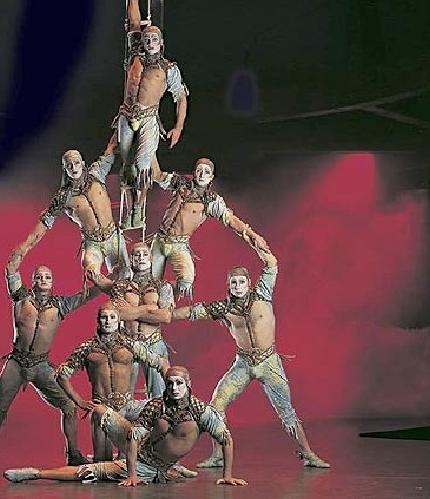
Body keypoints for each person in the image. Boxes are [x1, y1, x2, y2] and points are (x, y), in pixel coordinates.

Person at [171, 245, 331, 469]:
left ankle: (308, 454)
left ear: (249, 283)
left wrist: (251, 238)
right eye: (233, 283)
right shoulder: (224, 308)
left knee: (287, 411)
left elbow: (271, 263)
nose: (238, 286)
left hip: (269, 362)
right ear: (229, 285)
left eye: (241, 282)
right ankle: (218, 455)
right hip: (244, 363)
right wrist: (166, 313)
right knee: (216, 405)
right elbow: (191, 312)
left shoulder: (263, 294)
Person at [0, 253, 101, 469]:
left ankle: (73, 454)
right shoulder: (21, 298)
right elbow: (11, 269)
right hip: (16, 363)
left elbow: (88, 296)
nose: (43, 280)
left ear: (53, 282)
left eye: (47, 277)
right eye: (39, 277)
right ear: (32, 281)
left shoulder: (61, 305)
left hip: (41, 365)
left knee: (69, 405)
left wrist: (109, 279)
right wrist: (29, 244)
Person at [3, 366, 248, 486]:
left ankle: (35, 473)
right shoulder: (156, 406)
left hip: (149, 466)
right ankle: (121, 461)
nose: (174, 388)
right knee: (101, 411)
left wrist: (227, 475)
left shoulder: (201, 411)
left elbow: (226, 439)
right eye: (170, 383)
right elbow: (133, 436)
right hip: (138, 452)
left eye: (179, 383)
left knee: (89, 472)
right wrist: (131, 475)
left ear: (188, 384)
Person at [112, 0, 189, 230]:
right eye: (147, 38)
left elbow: (181, 96)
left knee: (143, 165)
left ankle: (139, 208)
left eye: (154, 38)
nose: (150, 41)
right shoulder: (134, 53)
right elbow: (134, 22)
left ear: (161, 42)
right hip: (126, 115)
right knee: (127, 165)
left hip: (148, 119)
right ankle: (132, 207)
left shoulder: (168, 69)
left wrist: (178, 127)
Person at [55, 301, 170, 462]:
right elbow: (61, 375)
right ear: (98, 320)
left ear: (118, 320)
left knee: (165, 410)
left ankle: (162, 459)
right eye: (104, 317)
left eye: (112, 317)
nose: (108, 321)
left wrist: (171, 388)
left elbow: (160, 363)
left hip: (127, 407)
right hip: (102, 409)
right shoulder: (87, 348)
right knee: (103, 462)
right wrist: (79, 401)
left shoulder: (130, 345)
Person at [7, 132, 129, 280]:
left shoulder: (97, 173)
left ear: (82, 163)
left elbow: (111, 149)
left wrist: (121, 126)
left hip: (113, 237)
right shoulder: (63, 197)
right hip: (93, 244)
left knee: (126, 275)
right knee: (91, 272)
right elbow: (44, 223)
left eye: (76, 163)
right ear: (65, 169)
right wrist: (24, 247)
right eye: (69, 165)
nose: (73, 167)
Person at [151, 157, 270, 300]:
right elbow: (157, 175)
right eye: (199, 171)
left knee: (186, 281)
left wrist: (253, 235)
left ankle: (165, 297)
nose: (202, 175)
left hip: (179, 245)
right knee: (150, 283)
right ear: (194, 172)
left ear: (211, 177)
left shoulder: (211, 201)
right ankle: (154, 297)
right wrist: (150, 147)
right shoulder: (179, 184)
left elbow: (230, 220)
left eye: (206, 172)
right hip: (159, 240)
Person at [86, 241, 174, 399]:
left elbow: (165, 316)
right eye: (137, 254)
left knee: (159, 396)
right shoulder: (120, 286)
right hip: (126, 344)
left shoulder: (162, 286)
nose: (141, 258)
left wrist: (131, 310)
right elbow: (119, 314)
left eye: (145, 254)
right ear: (131, 259)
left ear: (151, 258)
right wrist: (148, 309)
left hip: (154, 342)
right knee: (122, 395)